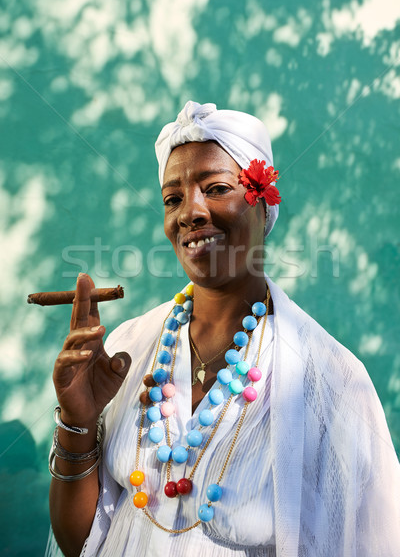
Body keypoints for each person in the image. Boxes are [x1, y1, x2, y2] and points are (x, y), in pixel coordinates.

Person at [47, 101, 400, 557]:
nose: (189, 213)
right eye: (173, 198)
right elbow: (84, 543)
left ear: (263, 201)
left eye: (215, 188)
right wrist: (77, 420)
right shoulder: (127, 350)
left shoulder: (328, 379)